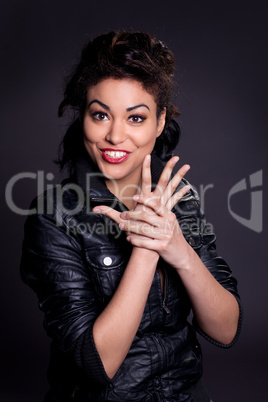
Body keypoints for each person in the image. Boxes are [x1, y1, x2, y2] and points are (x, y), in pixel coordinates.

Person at [20, 31, 242, 401]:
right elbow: (98, 364)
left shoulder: (178, 200)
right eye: (100, 115)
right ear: (83, 119)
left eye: (136, 118)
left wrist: (179, 250)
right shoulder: (54, 215)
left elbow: (226, 329)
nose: (115, 135)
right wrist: (146, 247)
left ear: (159, 122)